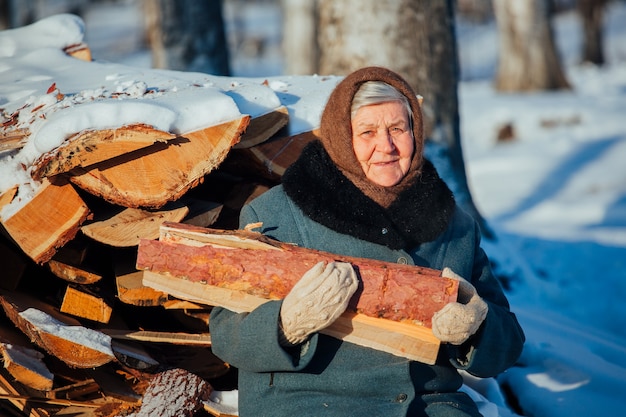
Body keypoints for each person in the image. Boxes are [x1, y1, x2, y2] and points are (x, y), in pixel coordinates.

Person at [209, 66, 525, 417]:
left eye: (397, 129)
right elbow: (225, 334)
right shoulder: (277, 214)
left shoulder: (454, 226)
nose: (385, 147)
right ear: (341, 138)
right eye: (367, 132)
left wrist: (476, 328)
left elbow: (508, 346)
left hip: (425, 407)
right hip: (306, 404)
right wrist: (286, 323)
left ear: (415, 132)